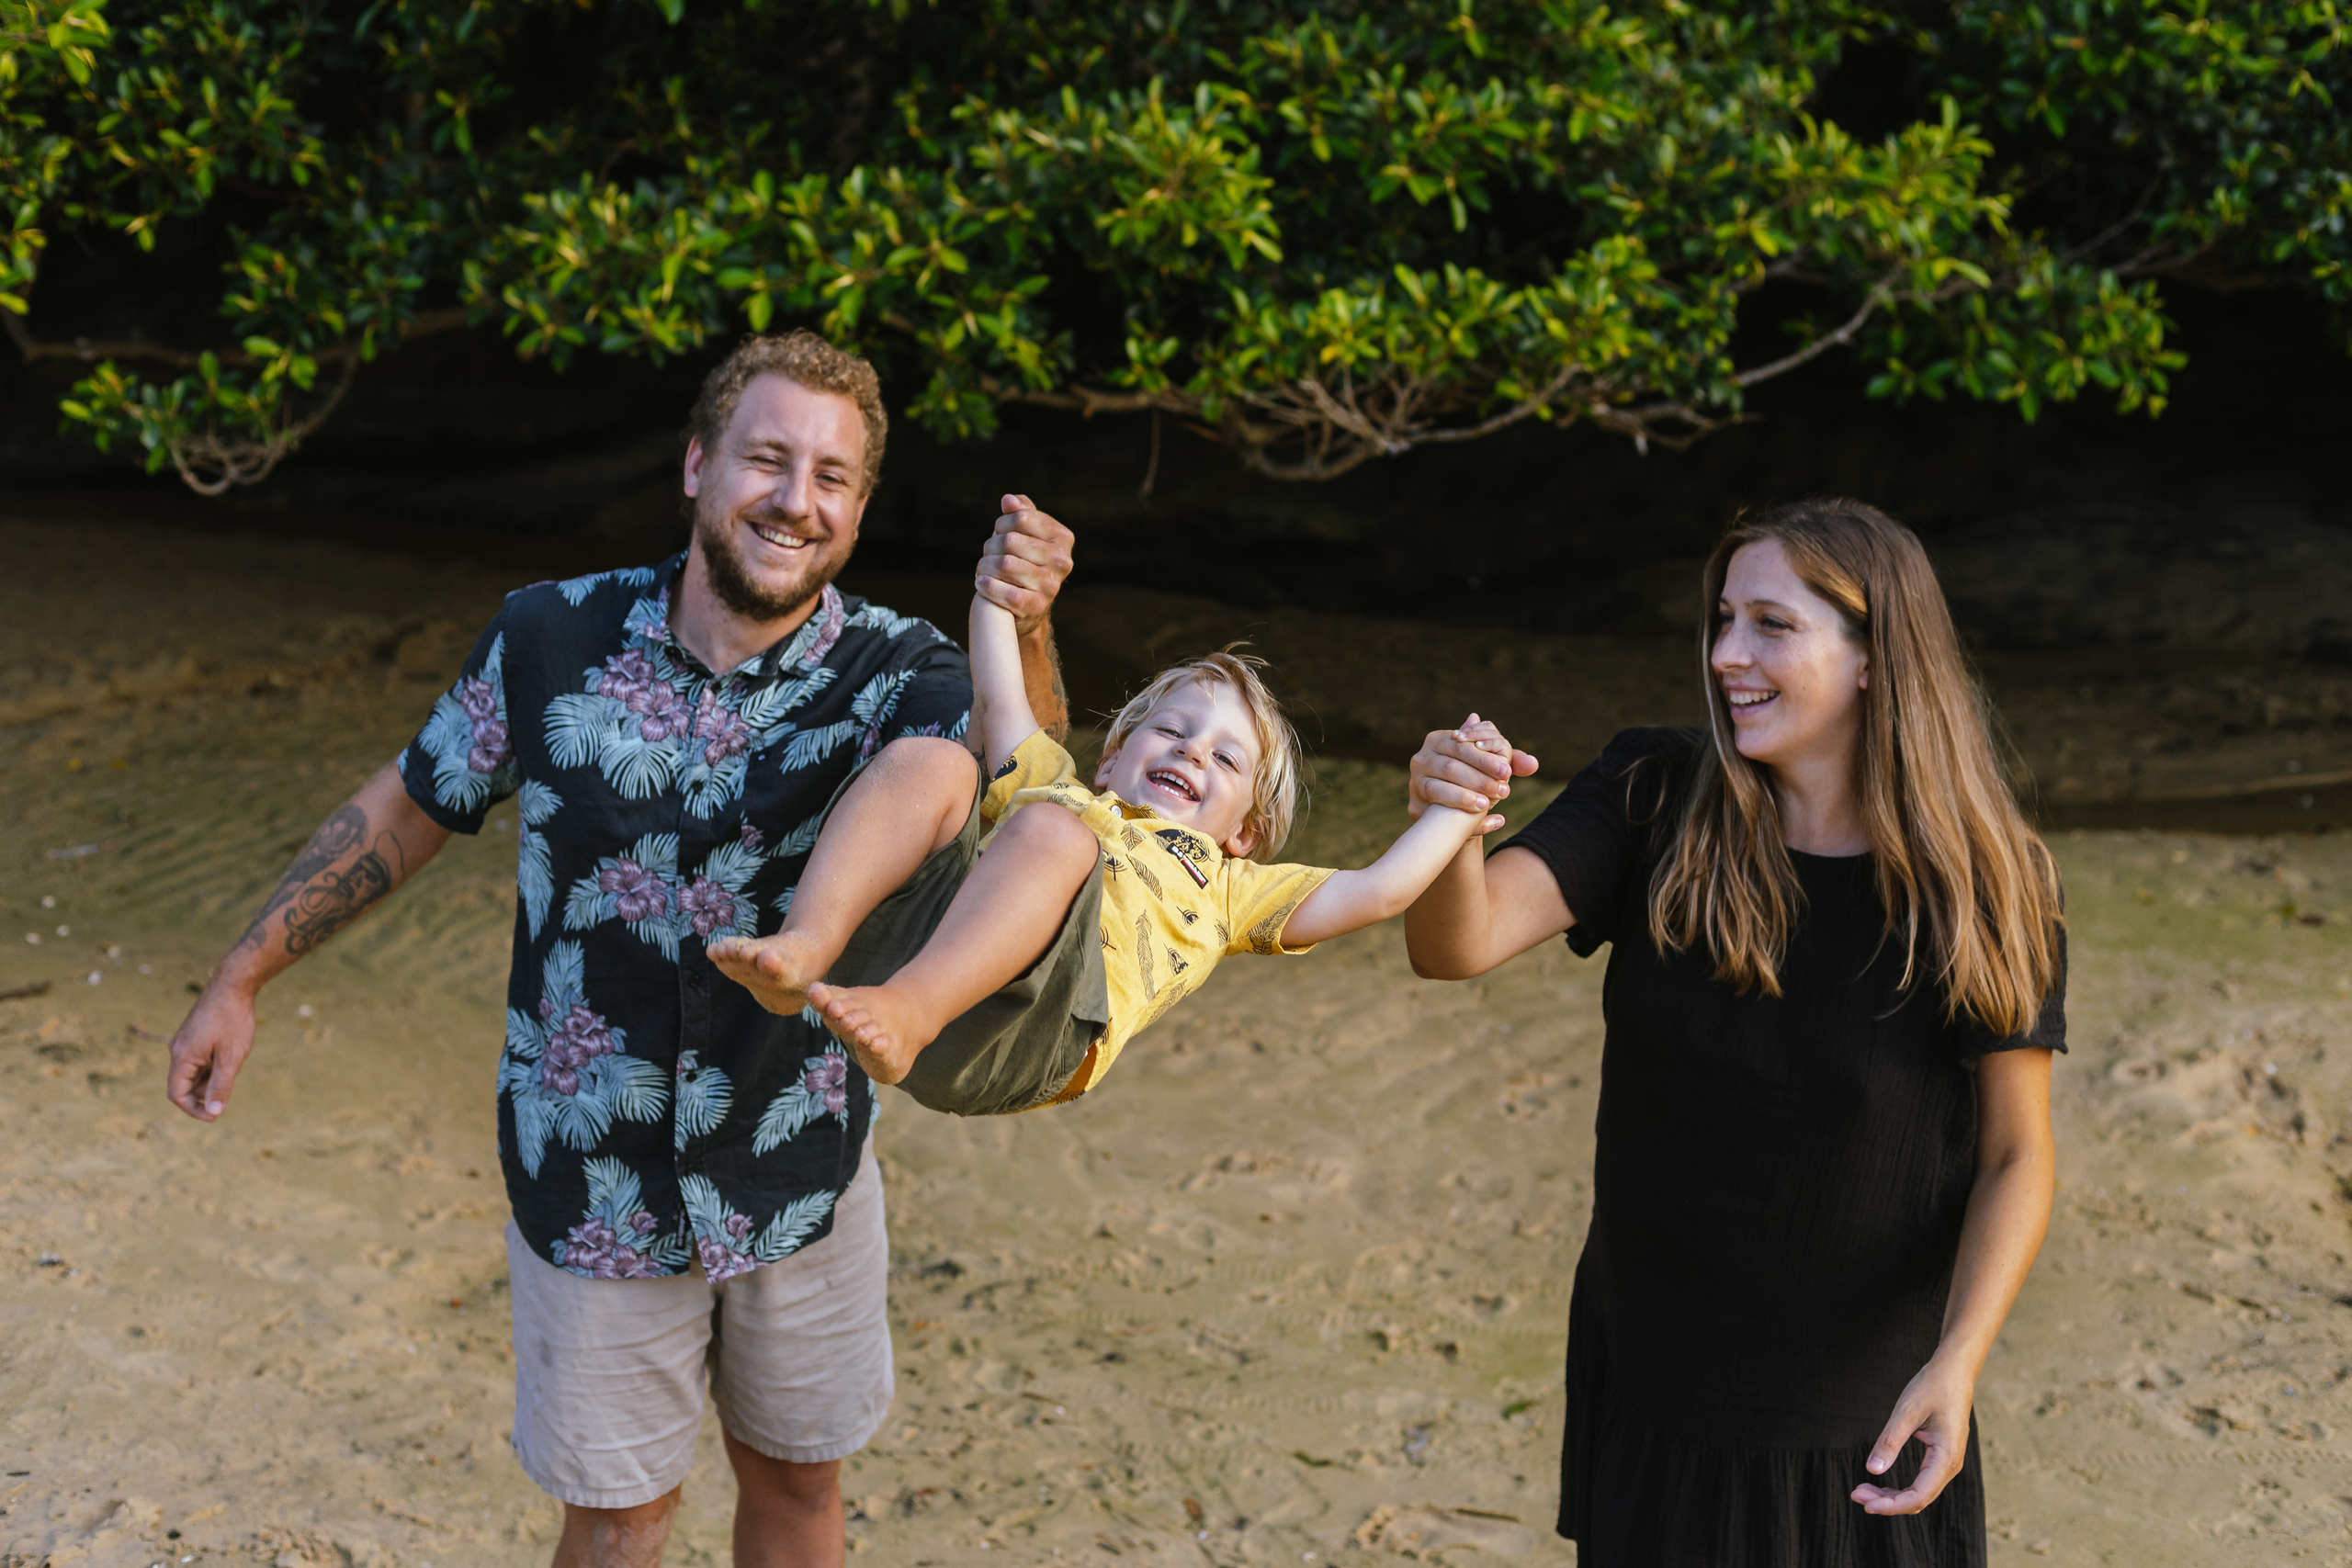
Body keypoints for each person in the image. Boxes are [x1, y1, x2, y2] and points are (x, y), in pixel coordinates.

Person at [163, 330, 1076, 1568]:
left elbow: (1030, 784)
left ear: (860, 508)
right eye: (767, 458)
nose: (795, 501)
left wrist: (1021, 623)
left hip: (796, 1165)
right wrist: (242, 975)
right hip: (587, 1181)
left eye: (833, 478)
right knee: (615, 1518)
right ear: (698, 464)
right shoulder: (548, 636)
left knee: (800, 1488)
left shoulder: (900, 672)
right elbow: (408, 804)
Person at [1403, 499, 2064, 1568]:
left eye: (1770, 625)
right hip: (1657, 1383)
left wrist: (1960, 1362)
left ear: (1872, 656)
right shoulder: (1650, 795)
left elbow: (2015, 1154)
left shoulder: (1985, 886)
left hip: (1857, 1416)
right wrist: (1447, 825)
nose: (1724, 656)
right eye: (1721, 620)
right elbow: (1456, 945)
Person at [707, 584, 1499, 1112]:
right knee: (937, 762)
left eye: (1225, 760)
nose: (1192, 752)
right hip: (910, 967)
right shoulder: (1063, 789)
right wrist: (996, 594)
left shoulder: (1230, 890)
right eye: (1173, 730)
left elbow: (1385, 887)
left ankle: (910, 1010)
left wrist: (1460, 807)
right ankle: (808, 945)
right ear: (1114, 753)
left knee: (1055, 832)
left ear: (1244, 833)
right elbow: (998, 692)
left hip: (1031, 1038)